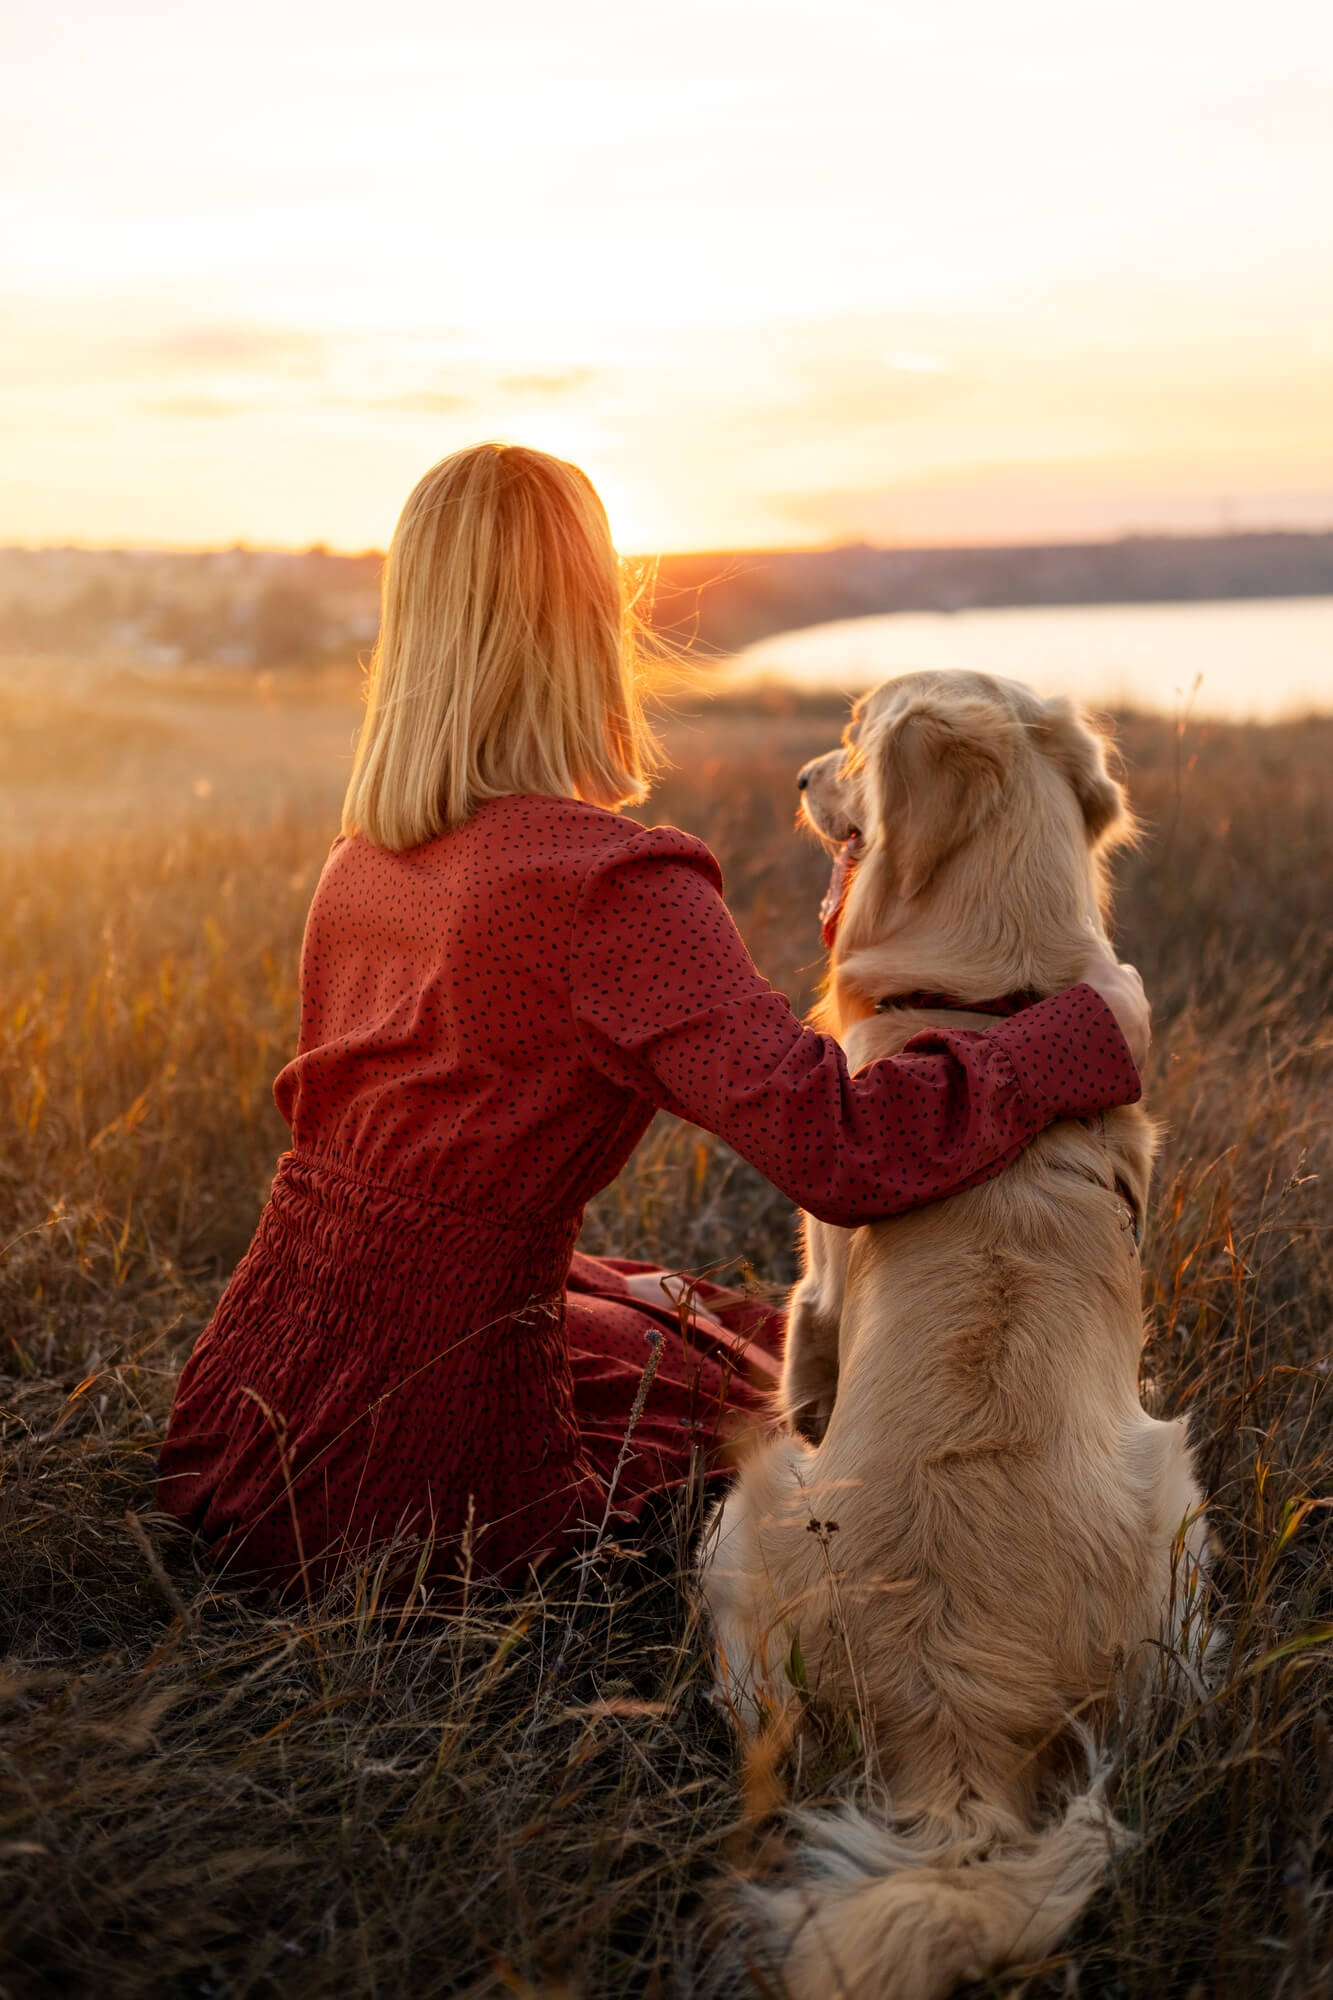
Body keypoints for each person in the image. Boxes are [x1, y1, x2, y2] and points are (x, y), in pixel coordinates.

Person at [157, 443, 1150, 1598]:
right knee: (744, 1392)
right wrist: (1079, 1032)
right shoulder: (610, 885)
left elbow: (422, 1179)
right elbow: (843, 1147)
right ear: (591, 614)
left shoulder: (362, 860)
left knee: (654, 1303)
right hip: (411, 1490)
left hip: (237, 1418)